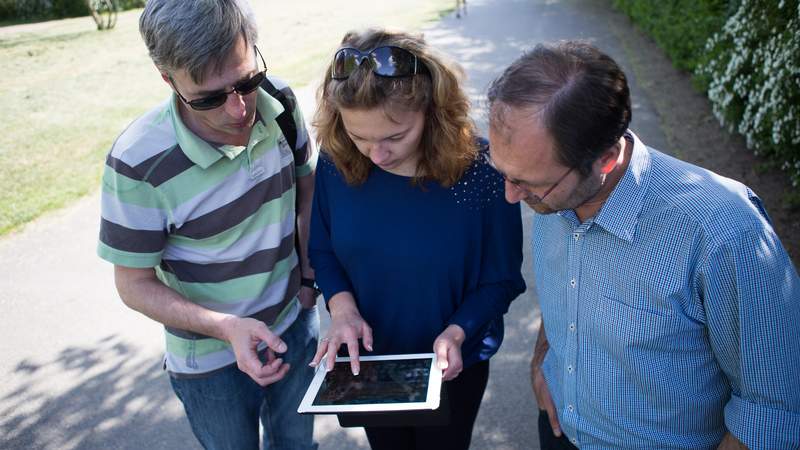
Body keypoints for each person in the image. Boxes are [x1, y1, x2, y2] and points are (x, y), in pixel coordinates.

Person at [485, 40, 800, 449]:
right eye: (503, 171)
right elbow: (567, 287)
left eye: (530, 182)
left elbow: (773, 407)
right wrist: (541, 361)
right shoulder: (551, 191)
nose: (511, 196)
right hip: (560, 432)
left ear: (605, 160)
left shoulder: (725, 232)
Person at [96, 1, 319, 448]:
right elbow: (133, 283)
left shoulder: (281, 103)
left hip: (295, 324)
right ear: (168, 79)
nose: (238, 109)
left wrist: (309, 278)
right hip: (209, 362)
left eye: (246, 81)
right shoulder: (137, 163)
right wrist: (225, 327)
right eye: (209, 98)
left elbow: (307, 192)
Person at [307, 28, 526, 450]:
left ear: (433, 110)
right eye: (360, 136)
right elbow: (323, 249)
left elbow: (500, 279)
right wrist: (343, 309)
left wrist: (458, 332)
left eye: (393, 137)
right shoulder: (337, 159)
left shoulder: (482, 171)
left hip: (452, 364)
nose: (375, 155)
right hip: (370, 362)